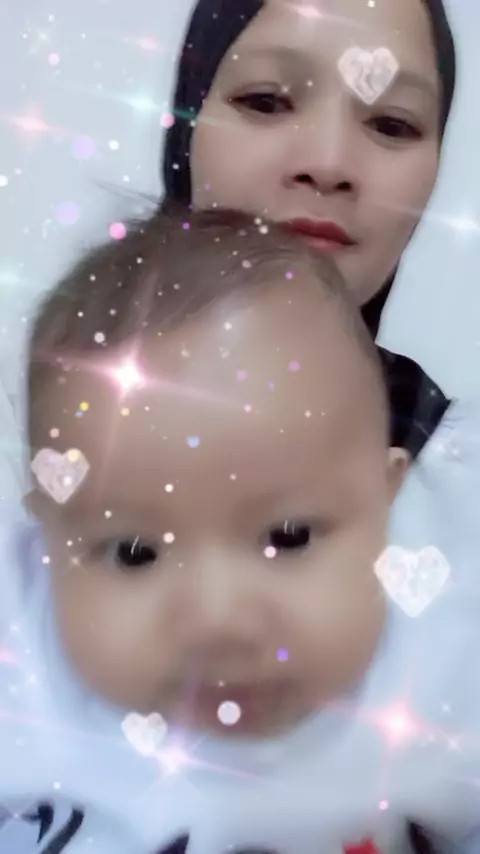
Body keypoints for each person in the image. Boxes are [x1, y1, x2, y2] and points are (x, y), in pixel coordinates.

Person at [0, 207, 479, 853]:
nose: (217, 620)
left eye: (288, 537)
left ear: (386, 499)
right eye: (134, 552)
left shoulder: (445, 678)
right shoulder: (22, 674)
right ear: (46, 538)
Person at [160, 0, 480, 550]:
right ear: (187, 132)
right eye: (266, 101)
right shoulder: (43, 435)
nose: (329, 164)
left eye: (392, 123)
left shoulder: (462, 492)